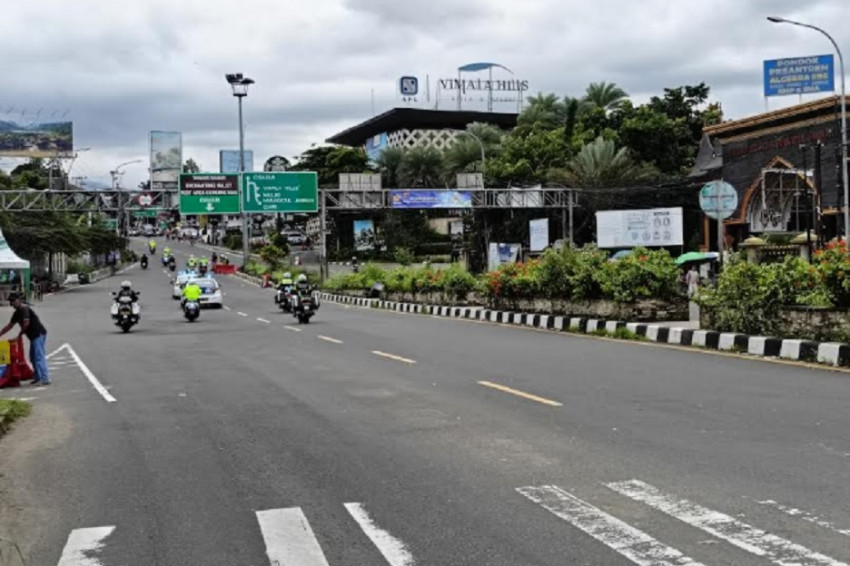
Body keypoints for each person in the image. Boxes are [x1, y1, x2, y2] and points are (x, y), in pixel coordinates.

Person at [0, 292, 50, 386]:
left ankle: (45, 378)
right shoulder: (17, 313)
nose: (11, 304)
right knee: (33, 357)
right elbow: (10, 326)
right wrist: (1, 333)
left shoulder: (24, 309)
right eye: (10, 302)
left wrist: (19, 336)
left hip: (38, 334)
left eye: (13, 301)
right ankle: (37, 377)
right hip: (33, 336)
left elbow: (26, 323)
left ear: (19, 300)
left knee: (39, 357)